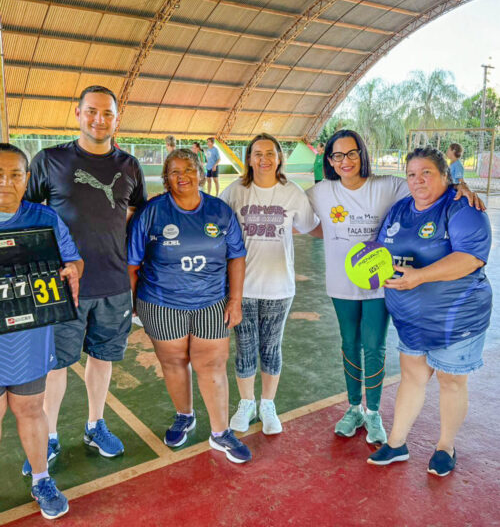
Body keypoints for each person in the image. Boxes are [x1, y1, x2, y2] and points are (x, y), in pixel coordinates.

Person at [306, 130, 481, 446]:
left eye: (351, 153)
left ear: (362, 154)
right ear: (329, 160)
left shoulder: (388, 186)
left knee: (373, 346)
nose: (345, 161)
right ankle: (353, 407)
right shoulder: (321, 192)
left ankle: (373, 412)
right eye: (337, 155)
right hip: (341, 283)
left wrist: (460, 187)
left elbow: (429, 186)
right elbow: (300, 218)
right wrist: (332, 235)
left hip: (380, 283)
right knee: (349, 343)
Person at [24, 85, 147, 469]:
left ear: (116, 119)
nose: (99, 119)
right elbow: (28, 212)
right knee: (56, 364)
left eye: (107, 113)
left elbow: (135, 210)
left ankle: (95, 425)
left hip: (112, 282)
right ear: (77, 113)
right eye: (92, 111)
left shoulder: (129, 166)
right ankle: (50, 436)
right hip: (62, 285)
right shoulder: (50, 160)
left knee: (103, 357)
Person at [368, 147, 491, 477]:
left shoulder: (463, 208)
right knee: (412, 377)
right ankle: (396, 443)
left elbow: (471, 258)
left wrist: (420, 276)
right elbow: (381, 253)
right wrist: (375, 271)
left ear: (445, 176)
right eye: (411, 174)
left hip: (457, 318)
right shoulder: (398, 211)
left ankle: (445, 446)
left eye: (426, 173)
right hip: (411, 319)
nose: (418, 180)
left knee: (451, 382)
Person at [127, 149, 251, 463]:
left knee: (212, 365)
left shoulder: (219, 211)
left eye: (188, 170)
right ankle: (185, 415)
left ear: (199, 172)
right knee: (173, 363)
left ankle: (221, 433)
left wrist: (235, 301)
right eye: (174, 172)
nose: (182, 177)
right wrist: (131, 305)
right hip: (161, 304)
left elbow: (236, 256)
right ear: (165, 178)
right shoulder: (151, 213)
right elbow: (132, 264)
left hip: (211, 303)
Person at [0, 144, 83, 519]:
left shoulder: (44, 218)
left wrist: (72, 270)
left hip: (28, 339)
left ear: (27, 179)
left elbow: (73, 257)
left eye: (15, 174)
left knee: (31, 408)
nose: (6, 183)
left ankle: (41, 478)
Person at [220, 134, 319, 435]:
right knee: (245, 347)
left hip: (279, 287)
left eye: (271, 153)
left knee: (271, 347)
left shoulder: (292, 193)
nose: (264, 159)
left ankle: (268, 403)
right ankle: (246, 402)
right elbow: (214, 224)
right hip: (242, 287)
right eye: (258, 153)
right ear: (249, 158)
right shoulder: (235, 192)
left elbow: (309, 226)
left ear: (279, 158)